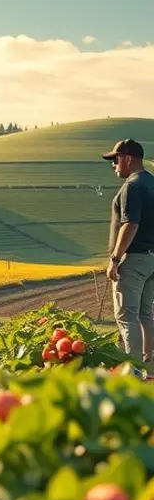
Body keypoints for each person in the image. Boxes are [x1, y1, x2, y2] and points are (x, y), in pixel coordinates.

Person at [102, 138, 154, 363]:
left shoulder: (132, 186)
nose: (113, 165)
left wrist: (115, 259)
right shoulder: (152, 183)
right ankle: (148, 362)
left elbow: (130, 224)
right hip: (152, 259)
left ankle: (132, 371)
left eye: (115, 160)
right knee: (145, 315)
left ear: (128, 159)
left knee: (126, 316)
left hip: (134, 259)